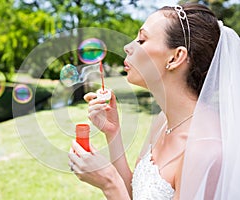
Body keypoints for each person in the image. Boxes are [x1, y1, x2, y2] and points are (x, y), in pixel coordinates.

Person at [68, 3, 240, 200]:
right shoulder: (164, 121)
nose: (128, 47)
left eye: (142, 40)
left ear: (176, 57)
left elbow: (120, 192)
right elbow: (135, 194)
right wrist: (112, 133)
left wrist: (109, 183)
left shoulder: (205, 150)